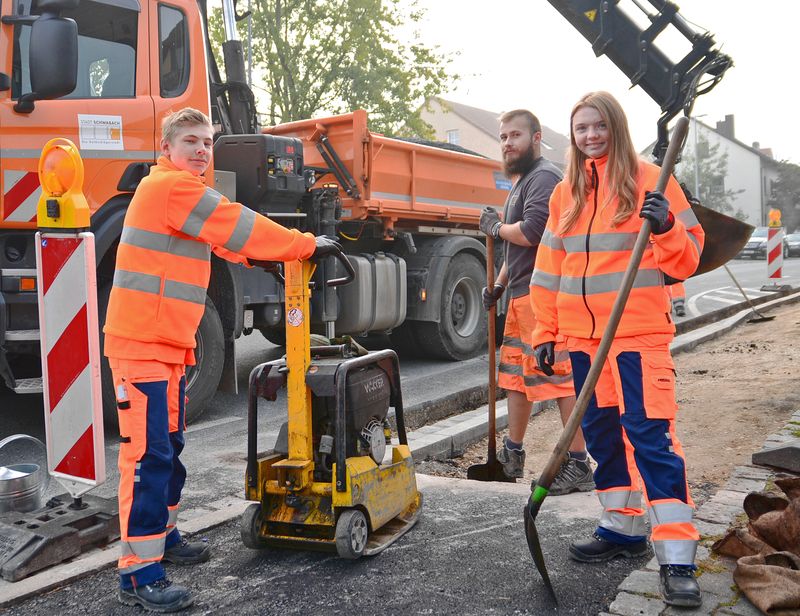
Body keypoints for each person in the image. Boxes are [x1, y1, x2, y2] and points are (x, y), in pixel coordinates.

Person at [103, 108, 339, 612]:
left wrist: (270, 257)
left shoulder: (178, 195)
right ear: (166, 149)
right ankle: (138, 573)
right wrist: (302, 245)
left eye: (208, 143)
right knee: (148, 458)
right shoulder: (171, 187)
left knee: (168, 446)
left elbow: (224, 242)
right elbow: (235, 224)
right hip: (143, 346)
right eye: (190, 141)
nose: (202, 151)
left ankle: (163, 538)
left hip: (165, 345)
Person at [530, 91, 705, 607]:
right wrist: (545, 332)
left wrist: (669, 226)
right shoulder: (567, 194)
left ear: (616, 128)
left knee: (650, 438)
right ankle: (622, 526)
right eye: (581, 128)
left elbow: (688, 259)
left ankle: (676, 556)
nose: (590, 136)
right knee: (603, 437)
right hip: (585, 343)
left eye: (599, 126)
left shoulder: (653, 181)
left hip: (636, 336)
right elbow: (549, 269)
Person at [479, 109, 592, 494]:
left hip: (543, 298)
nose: (508, 143)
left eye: (515, 136)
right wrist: (497, 285)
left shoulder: (544, 176)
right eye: (504, 137)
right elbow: (518, 253)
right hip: (519, 294)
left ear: (536, 137)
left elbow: (532, 232)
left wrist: (496, 228)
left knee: (558, 379)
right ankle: (512, 454)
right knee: (516, 380)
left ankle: (579, 463)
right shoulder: (523, 180)